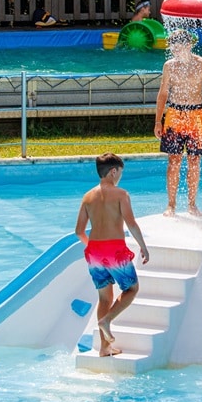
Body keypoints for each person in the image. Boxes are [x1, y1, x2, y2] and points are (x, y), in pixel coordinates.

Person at [74, 153, 150, 357]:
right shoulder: (121, 194)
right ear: (113, 171)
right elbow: (131, 223)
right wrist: (143, 246)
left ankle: (105, 347)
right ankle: (107, 320)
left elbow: (79, 231)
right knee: (132, 289)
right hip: (114, 251)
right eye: (120, 173)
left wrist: (94, 247)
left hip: (94, 253)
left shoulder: (88, 197)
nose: (120, 178)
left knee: (104, 299)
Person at [154, 29, 202, 217]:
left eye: (179, 46)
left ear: (189, 45)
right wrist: (158, 121)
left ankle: (192, 204)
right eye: (173, 47)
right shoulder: (169, 66)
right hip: (174, 114)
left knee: (194, 160)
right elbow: (163, 94)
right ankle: (171, 205)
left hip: (196, 115)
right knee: (173, 160)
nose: (175, 50)